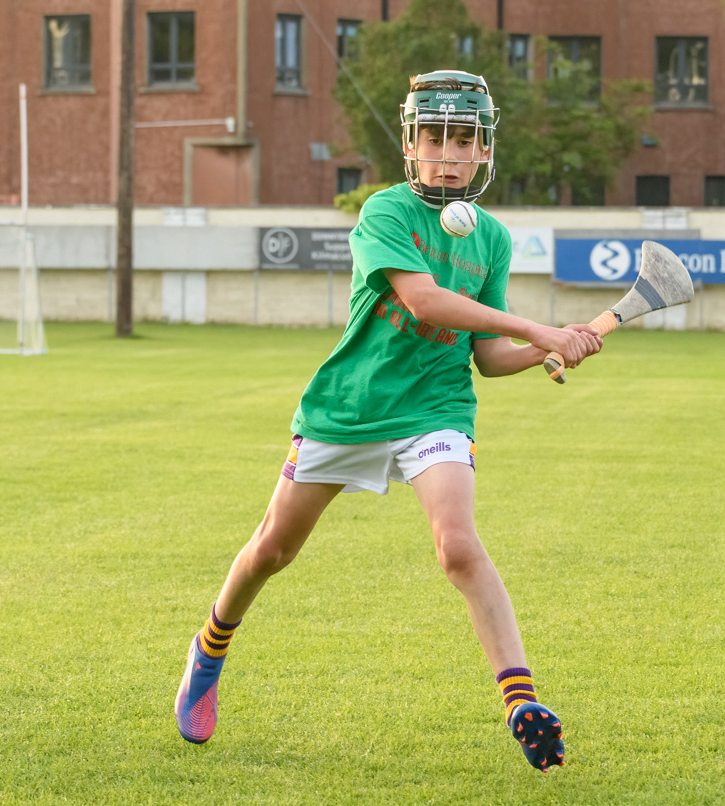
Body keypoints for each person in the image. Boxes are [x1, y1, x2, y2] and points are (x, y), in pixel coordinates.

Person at [174, 70, 603, 771]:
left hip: (434, 406)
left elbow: (486, 358)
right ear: (410, 142)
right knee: (272, 551)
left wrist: (541, 351)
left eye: (462, 138)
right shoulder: (385, 213)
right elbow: (427, 303)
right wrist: (542, 328)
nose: (447, 152)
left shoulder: (489, 238)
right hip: (350, 407)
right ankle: (210, 648)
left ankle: (520, 700)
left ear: (483, 149)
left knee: (457, 546)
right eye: (433, 136)